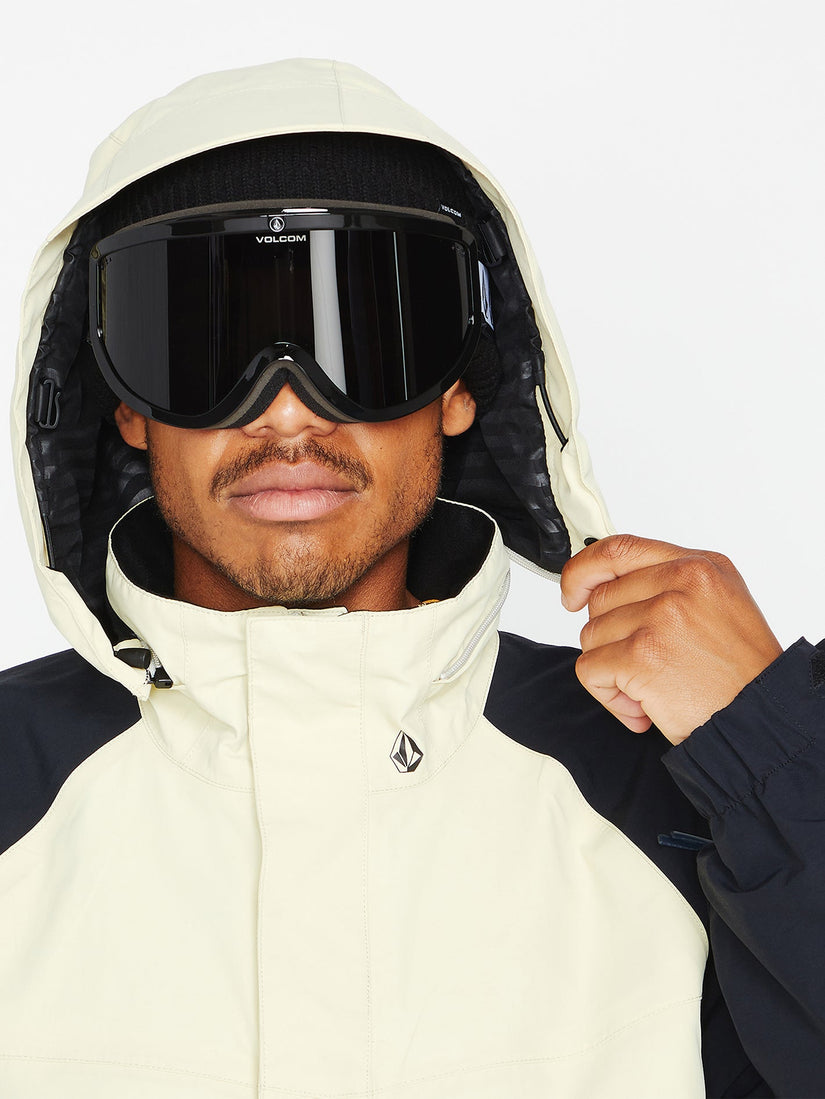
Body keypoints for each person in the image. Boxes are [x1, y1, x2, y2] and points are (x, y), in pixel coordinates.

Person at [1, 58, 823, 1099]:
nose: (286, 410)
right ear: (124, 402)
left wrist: (777, 759)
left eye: (365, 336)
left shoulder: (669, 795)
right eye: (204, 345)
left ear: (459, 387)